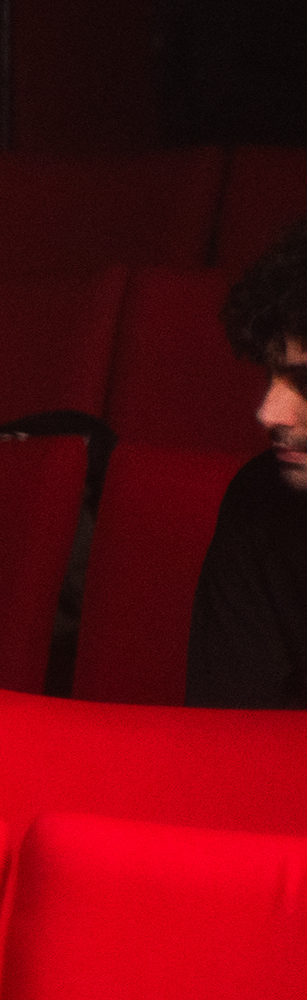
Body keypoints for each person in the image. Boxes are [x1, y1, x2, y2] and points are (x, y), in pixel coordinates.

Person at [186, 221, 307, 709]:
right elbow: (231, 739)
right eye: (272, 376)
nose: (268, 412)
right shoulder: (260, 502)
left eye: (305, 382)